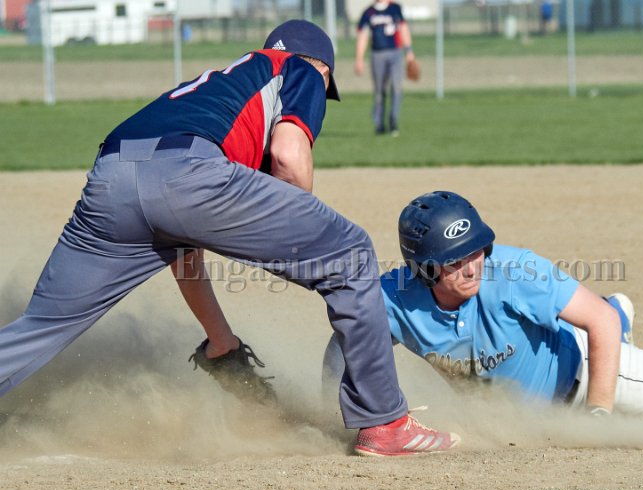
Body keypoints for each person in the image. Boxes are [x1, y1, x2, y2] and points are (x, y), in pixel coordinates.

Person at [0, 20, 459, 457]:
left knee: (43, 324)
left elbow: (179, 240)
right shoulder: (298, 69)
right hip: (189, 172)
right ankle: (386, 424)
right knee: (351, 253)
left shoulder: (207, 95)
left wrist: (220, 341)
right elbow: (287, 155)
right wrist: (303, 233)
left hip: (110, 179)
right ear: (321, 68)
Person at [324, 191, 643, 420]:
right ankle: (619, 316)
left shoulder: (515, 270)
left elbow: (600, 323)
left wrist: (599, 414)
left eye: (476, 250)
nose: (471, 267)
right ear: (423, 267)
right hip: (527, 414)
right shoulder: (395, 299)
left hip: (582, 373)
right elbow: (346, 345)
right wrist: (330, 409)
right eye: (454, 261)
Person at [354, 0, 415, 136]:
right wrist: (359, 58)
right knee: (379, 91)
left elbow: (403, 28)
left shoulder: (395, 8)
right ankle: (379, 124)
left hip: (395, 52)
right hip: (377, 54)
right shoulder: (368, 12)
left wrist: (409, 51)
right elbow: (363, 36)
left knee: (397, 87)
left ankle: (393, 121)